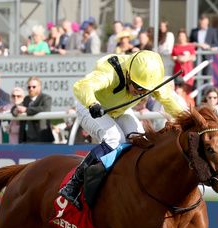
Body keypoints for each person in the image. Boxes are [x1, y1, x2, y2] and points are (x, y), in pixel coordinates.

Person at [59, 50, 187, 209]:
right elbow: (81, 86)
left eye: (146, 90)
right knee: (114, 138)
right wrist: (92, 103)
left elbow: (172, 103)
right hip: (89, 106)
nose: (141, 93)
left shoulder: (150, 79)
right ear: (128, 75)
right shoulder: (111, 71)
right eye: (139, 88)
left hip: (118, 109)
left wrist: (192, 120)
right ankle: (73, 184)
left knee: (141, 140)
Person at [11, 76, 53, 143]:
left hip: (42, 139)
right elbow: (16, 107)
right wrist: (15, 110)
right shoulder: (26, 99)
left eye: (34, 87)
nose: (31, 89)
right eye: (29, 87)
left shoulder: (46, 98)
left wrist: (26, 110)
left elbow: (45, 109)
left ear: (39, 87)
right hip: (26, 139)